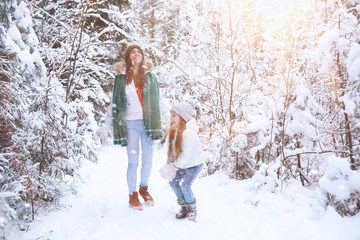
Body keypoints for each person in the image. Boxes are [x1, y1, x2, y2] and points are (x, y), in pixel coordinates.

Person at [97, 44, 169, 211]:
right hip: (130, 124)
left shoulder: (150, 77)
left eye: (139, 52)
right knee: (133, 162)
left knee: (148, 162)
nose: (136, 54)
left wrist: (169, 119)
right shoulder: (121, 79)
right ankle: (132, 194)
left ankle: (144, 189)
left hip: (149, 124)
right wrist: (106, 126)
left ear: (142, 56)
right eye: (132, 52)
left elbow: (161, 100)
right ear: (128, 57)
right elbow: (114, 104)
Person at [160, 102, 205, 222]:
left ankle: (192, 208)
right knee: (173, 182)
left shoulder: (189, 133)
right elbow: (174, 152)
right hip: (183, 164)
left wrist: (173, 167)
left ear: (183, 117)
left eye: (174, 115)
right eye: (171, 115)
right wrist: (169, 165)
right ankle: (184, 206)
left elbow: (185, 156)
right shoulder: (175, 130)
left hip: (194, 165)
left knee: (185, 186)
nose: (171, 118)